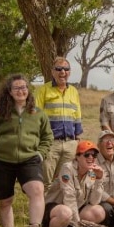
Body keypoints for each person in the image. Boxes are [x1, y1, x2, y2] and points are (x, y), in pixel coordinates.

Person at [0, 74, 53, 227]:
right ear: (9, 92)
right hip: (2, 161)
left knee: (37, 190)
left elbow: (47, 137)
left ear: (29, 90)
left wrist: (40, 154)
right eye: (17, 88)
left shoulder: (38, 113)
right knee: (5, 201)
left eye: (24, 87)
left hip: (29, 159)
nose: (21, 91)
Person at [35, 56, 83, 187]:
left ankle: (61, 207)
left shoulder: (73, 91)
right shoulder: (42, 90)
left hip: (70, 144)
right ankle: (44, 208)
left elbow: (77, 116)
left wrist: (78, 139)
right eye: (59, 69)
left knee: (65, 181)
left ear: (69, 72)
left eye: (66, 69)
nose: (63, 72)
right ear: (52, 71)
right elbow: (35, 117)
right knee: (45, 182)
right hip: (50, 144)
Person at [42, 140, 106, 227]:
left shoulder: (93, 173)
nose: (91, 158)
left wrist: (99, 179)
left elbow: (94, 201)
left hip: (74, 212)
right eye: (87, 154)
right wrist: (78, 225)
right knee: (66, 213)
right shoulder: (67, 168)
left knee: (98, 211)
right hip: (55, 210)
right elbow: (69, 198)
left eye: (94, 155)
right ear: (77, 157)